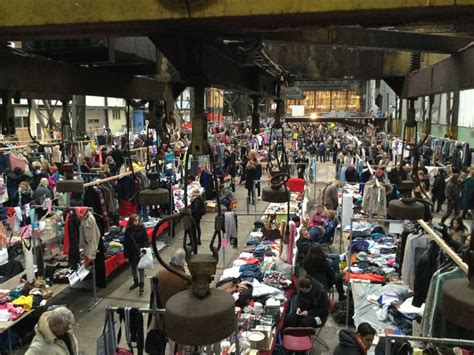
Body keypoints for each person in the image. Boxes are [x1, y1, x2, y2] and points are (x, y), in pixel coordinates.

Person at [149, 249, 189, 354]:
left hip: (160, 317)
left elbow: (154, 296)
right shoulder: (184, 278)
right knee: (174, 348)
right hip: (175, 319)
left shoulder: (160, 273)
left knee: (161, 346)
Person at [123, 214, 149, 294]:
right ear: (131, 221)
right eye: (135, 220)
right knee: (133, 267)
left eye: (138, 220)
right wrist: (126, 255)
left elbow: (146, 241)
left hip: (140, 251)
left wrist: (144, 251)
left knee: (141, 268)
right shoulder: (128, 230)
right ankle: (136, 281)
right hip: (132, 252)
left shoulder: (142, 229)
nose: (137, 222)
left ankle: (141, 285)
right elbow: (126, 243)